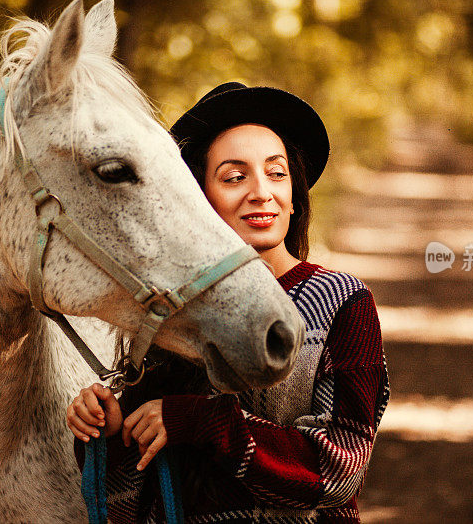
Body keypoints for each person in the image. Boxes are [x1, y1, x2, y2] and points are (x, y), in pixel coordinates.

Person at [66, 82, 389, 523]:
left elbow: (337, 472)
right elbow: (137, 489)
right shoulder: (174, 311)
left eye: (276, 173)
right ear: (200, 200)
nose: (260, 192)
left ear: (294, 196)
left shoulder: (342, 303)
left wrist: (204, 422)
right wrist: (114, 431)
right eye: (235, 177)